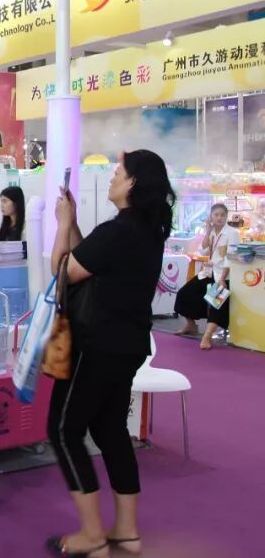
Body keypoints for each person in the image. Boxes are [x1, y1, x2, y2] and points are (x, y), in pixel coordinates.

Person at [46, 150, 173, 558]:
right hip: (128, 345)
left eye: (118, 172)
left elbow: (62, 273)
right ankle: (126, 531)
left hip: (94, 343)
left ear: (132, 183)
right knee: (110, 429)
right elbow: (90, 260)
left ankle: (92, 535)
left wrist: (61, 225)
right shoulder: (147, 230)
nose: (112, 178)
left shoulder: (118, 231)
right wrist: (74, 224)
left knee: (64, 430)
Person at [174, 203, 236, 349]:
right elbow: (202, 250)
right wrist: (208, 231)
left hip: (223, 275)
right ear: (211, 217)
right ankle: (191, 325)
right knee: (185, 293)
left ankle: (207, 337)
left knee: (215, 302)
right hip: (209, 272)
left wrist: (222, 279)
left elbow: (230, 258)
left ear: (226, 217)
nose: (219, 218)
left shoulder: (232, 233)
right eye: (216, 215)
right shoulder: (212, 232)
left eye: (222, 215)